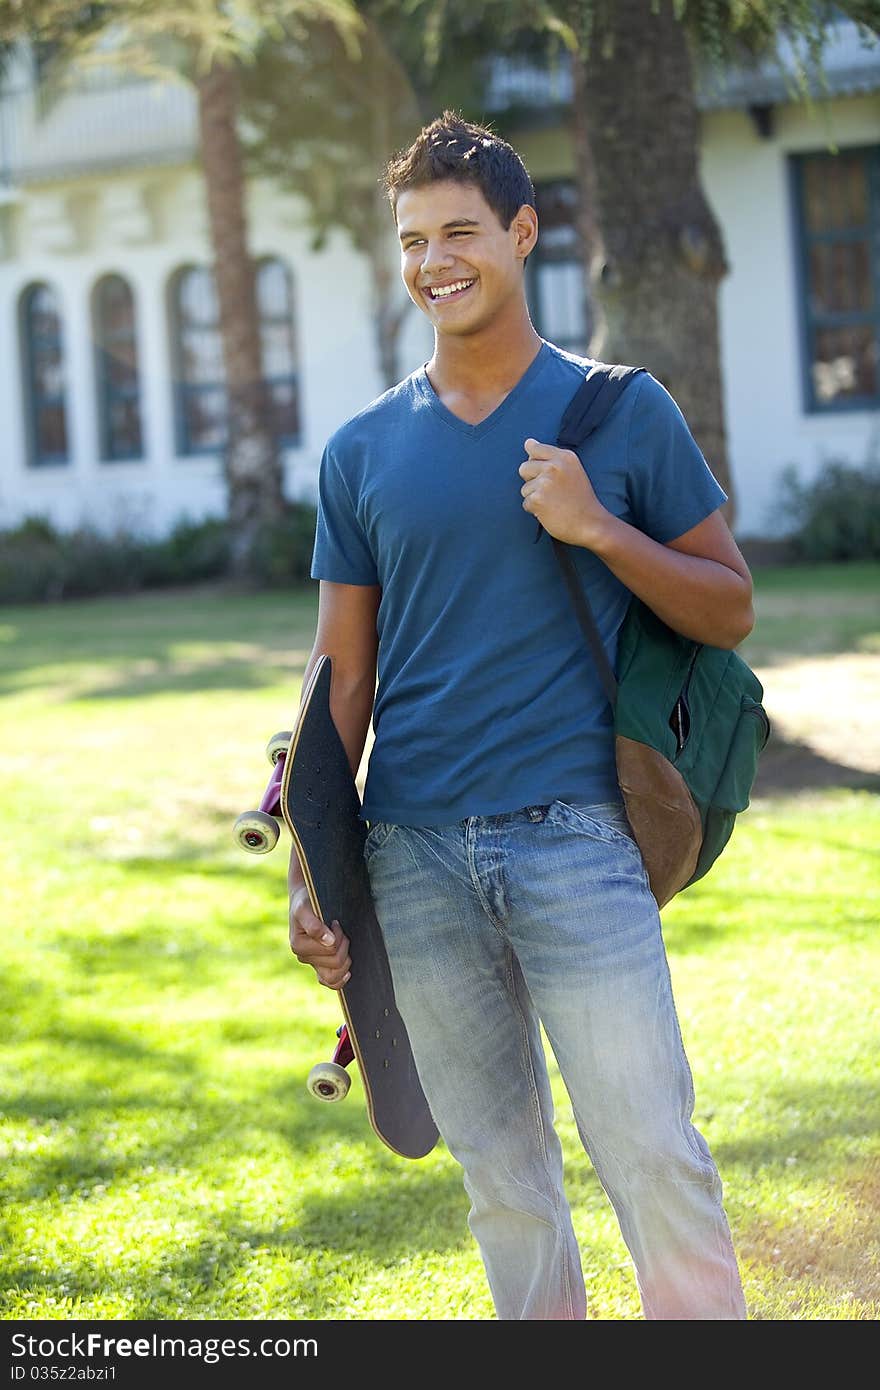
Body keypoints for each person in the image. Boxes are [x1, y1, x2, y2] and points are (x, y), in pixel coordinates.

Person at [288, 110, 752, 1321]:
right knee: (504, 1185)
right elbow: (342, 680)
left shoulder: (619, 410)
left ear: (523, 233)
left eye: (459, 232)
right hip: (414, 857)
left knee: (653, 1154)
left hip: (576, 842)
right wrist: (314, 868)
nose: (433, 260)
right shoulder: (361, 452)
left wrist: (600, 527)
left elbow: (730, 606)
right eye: (411, 239)